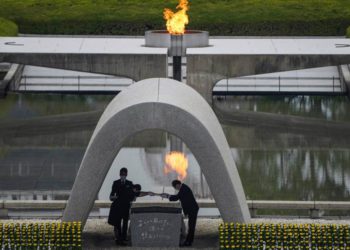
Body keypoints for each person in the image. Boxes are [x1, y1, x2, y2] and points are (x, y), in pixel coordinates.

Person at [161, 180, 199, 247]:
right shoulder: (183, 188)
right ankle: (189, 241)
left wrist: (167, 196)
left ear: (178, 184)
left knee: (191, 226)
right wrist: (168, 196)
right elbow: (178, 196)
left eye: (175, 187)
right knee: (191, 226)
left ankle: (188, 242)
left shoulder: (184, 189)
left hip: (192, 209)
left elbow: (176, 197)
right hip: (192, 209)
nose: (176, 189)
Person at [108, 167, 134, 246]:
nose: (123, 175)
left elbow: (132, 195)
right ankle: (119, 239)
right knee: (118, 223)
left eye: (124, 174)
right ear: (120, 174)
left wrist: (132, 199)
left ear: (126, 174)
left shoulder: (130, 183)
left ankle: (124, 237)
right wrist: (113, 197)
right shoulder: (116, 183)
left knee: (125, 223)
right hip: (118, 206)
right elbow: (112, 195)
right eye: (122, 174)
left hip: (126, 206)